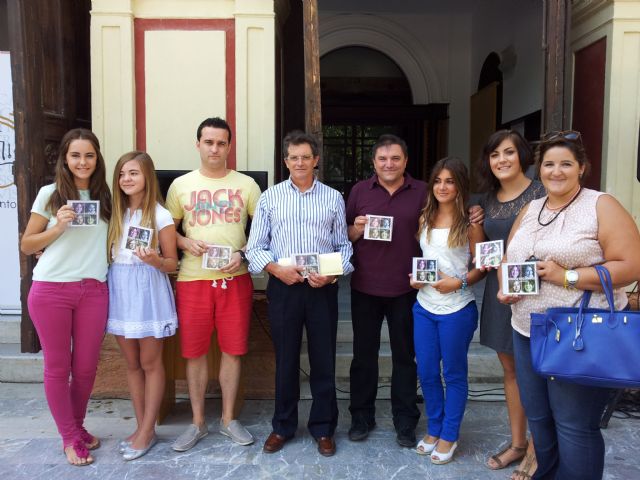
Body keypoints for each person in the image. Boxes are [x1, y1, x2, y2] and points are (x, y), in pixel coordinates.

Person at [501, 130, 640, 480]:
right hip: (527, 328)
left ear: (582, 168)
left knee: (574, 425)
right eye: (549, 164)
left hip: (580, 332)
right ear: (539, 169)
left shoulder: (600, 204)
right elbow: (511, 258)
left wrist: (568, 276)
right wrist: (509, 287)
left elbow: (631, 265)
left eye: (566, 164)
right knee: (540, 418)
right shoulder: (532, 208)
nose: (556, 171)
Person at [346, 134, 484, 447]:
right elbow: (343, 234)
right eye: (382, 159)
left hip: (409, 289)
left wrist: (475, 213)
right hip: (365, 287)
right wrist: (355, 228)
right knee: (363, 356)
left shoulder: (424, 191)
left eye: (395, 158)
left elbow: (452, 213)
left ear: (405, 161)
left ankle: (405, 420)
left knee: (406, 358)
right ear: (374, 163)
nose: (388, 164)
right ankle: (361, 416)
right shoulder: (359, 191)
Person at [246, 130, 353, 457]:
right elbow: (254, 248)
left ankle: (323, 428)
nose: (300, 162)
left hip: (321, 290)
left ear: (316, 160)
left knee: (323, 359)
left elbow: (344, 247)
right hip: (284, 288)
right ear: (286, 161)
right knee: (286, 360)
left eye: (306, 156)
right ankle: (283, 426)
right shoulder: (270, 198)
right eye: (294, 157)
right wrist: (277, 269)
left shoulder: (333, 198)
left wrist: (333, 275)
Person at [166, 117, 261, 451]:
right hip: (193, 280)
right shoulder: (180, 186)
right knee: (194, 353)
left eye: (221, 143)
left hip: (234, 279)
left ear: (229, 146)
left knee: (233, 351)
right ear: (198, 144)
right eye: (209, 142)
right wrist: (183, 243)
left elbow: (263, 233)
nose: (215, 148)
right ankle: (197, 423)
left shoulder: (248, 185)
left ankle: (228, 420)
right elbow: (169, 232)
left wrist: (243, 253)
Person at [21, 128, 112, 466]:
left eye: (89, 155)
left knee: (86, 367)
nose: (82, 162)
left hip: (93, 290)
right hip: (51, 291)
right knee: (58, 367)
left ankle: (76, 425)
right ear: (65, 158)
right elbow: (28, 244)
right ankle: (70, 436)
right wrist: (57, 228)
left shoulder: (107, 197)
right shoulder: (50, 194)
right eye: (75, 155)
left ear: (97, 158)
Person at [476, 129, 545, 478]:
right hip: (498, 289)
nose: (501, 160)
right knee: (511, 371)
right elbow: (482, 246)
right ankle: (518, 443)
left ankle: (538, 447)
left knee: (538, 372)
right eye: (494, 155)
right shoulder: (487, 198)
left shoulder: (541, 191)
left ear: (522, 156)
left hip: (536, 291)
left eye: (508, 153)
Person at [410, 157, 485, 465]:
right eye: (438, 181)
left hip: (457, 308)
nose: (442, 186)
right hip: (425, 307)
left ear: (460, 186)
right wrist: (416, 279)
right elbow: (425, 259)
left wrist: (459, 282)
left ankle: (450, 434)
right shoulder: (424, 218)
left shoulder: (471, 223)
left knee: (453, 374)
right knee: (427, 372)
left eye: (450, 181)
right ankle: (435, 427)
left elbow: (482, 266)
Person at [105, 151, 179, 460]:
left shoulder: (160, 215)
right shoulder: (114, 213)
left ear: (146, 176)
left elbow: (172, 263)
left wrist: (156, 260)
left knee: (150, 363)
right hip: (121, 290)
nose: (126, 179)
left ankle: (149, 429)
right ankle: (141, 426)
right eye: (122, 174)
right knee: (132, 365)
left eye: (133, 173)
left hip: (148, 292)